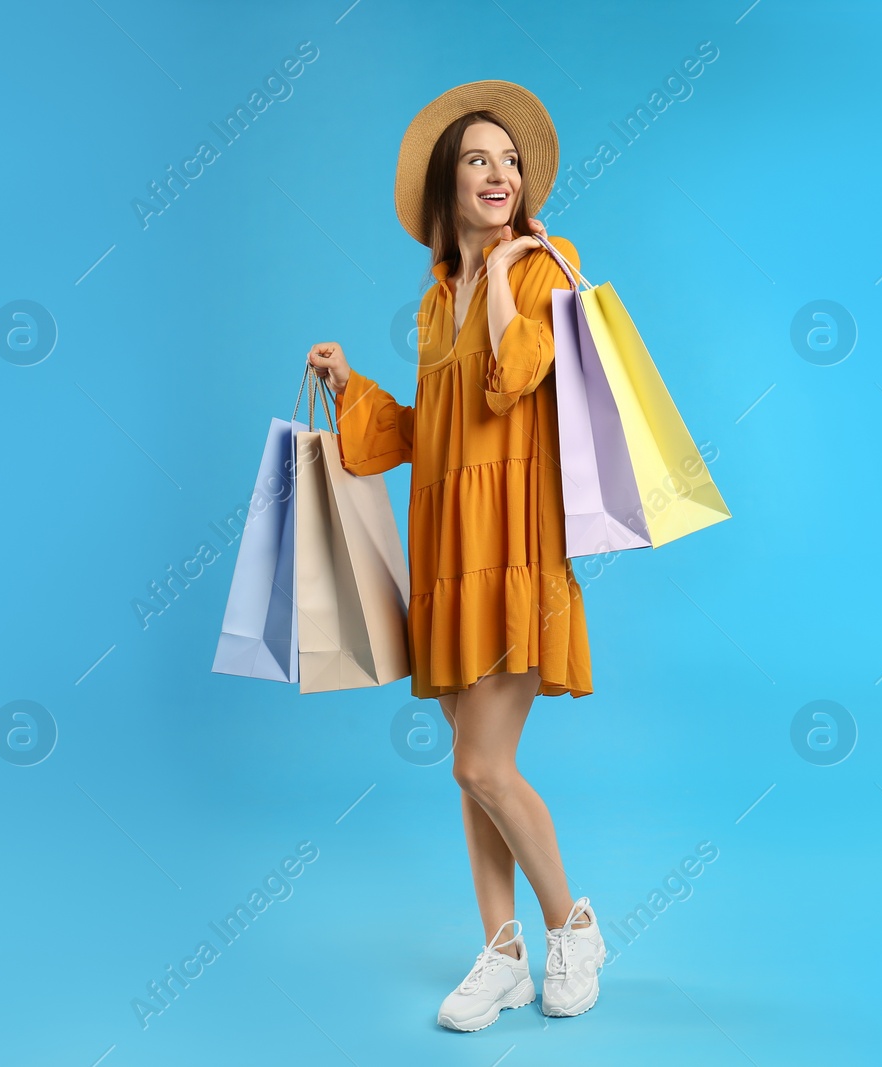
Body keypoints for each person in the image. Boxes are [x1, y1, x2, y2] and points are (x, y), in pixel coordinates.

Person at [305, 80, 604, 1032]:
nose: (501, 173)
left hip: (517, 549)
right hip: (447, 554)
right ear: (447, 184)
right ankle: (503, 951)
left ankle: (574, 928)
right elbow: (428, 434)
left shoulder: (546, 270)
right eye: (480, 158)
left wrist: (509, 272)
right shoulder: (435, 302)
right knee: (473, 768)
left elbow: (513, 380)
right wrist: (353, 387)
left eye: (510, 161)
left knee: (480, 764)